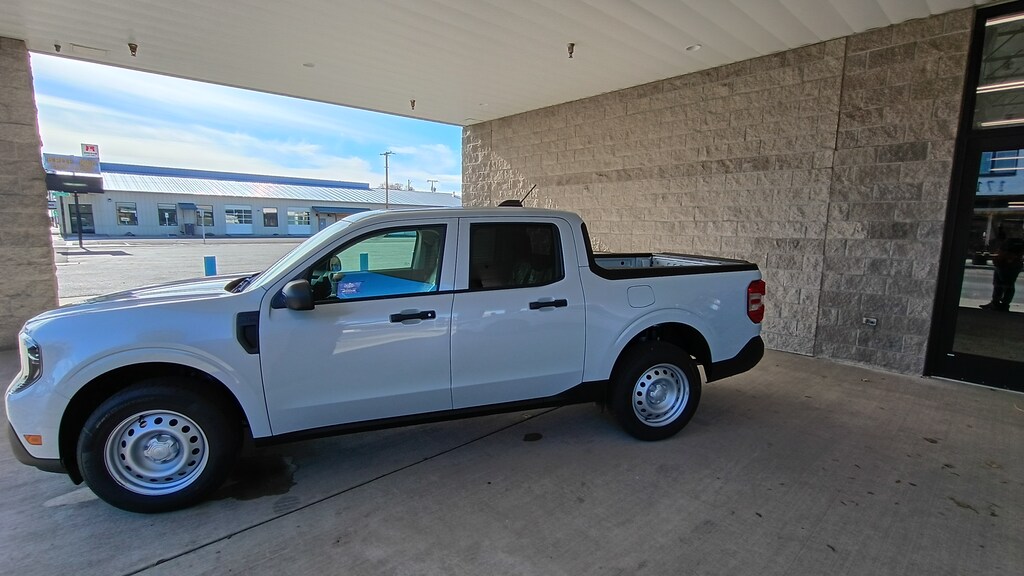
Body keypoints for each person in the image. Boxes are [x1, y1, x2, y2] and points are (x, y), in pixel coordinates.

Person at [980, 235, 1024, 311]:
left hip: (1005, 264)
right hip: (1002, 264)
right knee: (1001, 284)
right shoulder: (1011, 241)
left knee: (1006, 284)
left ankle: (1002, 304)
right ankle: (998, 303)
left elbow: (1009, 254)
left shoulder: (1012, 242)